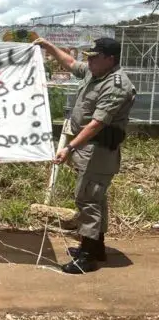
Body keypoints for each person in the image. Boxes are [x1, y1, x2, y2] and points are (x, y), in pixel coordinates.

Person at [34, 36, 136, 274]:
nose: (89, 61)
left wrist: (70, 147)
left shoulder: (116, 85)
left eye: (94, 57)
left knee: (88, 198)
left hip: (98, 150)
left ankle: (88, 256)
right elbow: (70, 63)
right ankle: (96, 246)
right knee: (95, 197)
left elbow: (97, 124)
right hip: (89, 149)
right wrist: (48, 46)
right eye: (89, 57)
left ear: (110, 59)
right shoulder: (96, 72)